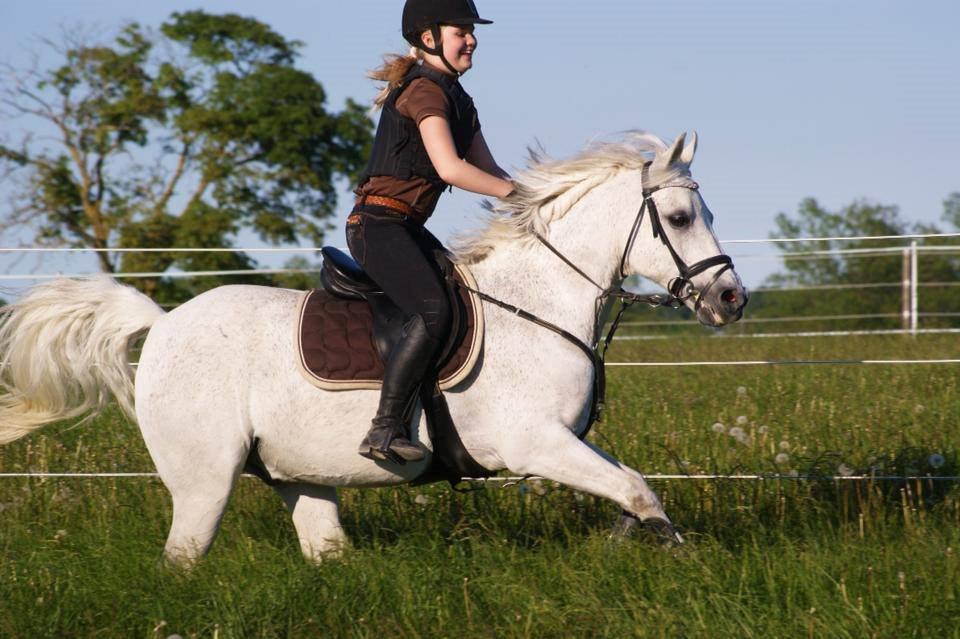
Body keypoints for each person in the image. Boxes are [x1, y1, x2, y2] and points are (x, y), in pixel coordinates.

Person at [348, 0, 513, 463]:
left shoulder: (459, 99)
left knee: (465, 296)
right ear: (428, 38)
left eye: (472, 31)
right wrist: (514, 196)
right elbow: (452, 169)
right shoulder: (423, 90)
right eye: (461, 31)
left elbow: (492, 170)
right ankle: (383, 429)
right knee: (435, 309)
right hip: (376, 224)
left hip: (406, 227)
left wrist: (533, 199)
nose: (472, 39)